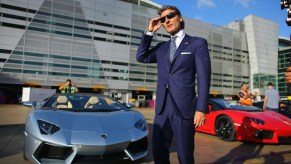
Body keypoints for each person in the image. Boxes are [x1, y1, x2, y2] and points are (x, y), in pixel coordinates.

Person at [136, 5, 211, 164]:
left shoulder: (197, 44)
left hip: (184, 107)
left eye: (170, 16)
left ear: (180, 17)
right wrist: (150, 32)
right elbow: (141, 57)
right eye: (163, 19)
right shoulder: (162, 48)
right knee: (158, 151)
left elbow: (204, 78)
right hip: (162, 108)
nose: (167, 20)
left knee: (184, 155)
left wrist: (201, 108)